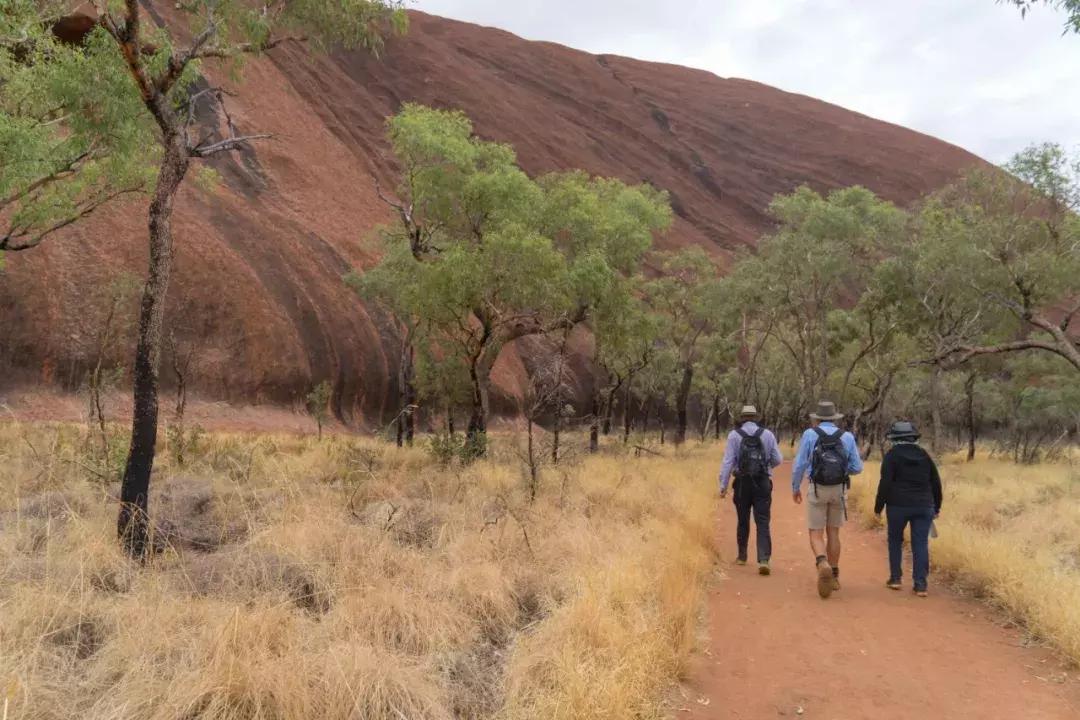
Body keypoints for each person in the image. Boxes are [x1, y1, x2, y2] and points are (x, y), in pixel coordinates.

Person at [791, 400, 863, 599]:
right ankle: (835, 574)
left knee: (816, 533)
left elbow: (800, 464)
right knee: (834, 532)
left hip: (817, 488)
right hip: (839, 489)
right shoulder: (847, 436)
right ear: (834, 418)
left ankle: (822, 562)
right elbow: (857, 467)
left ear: (817, 418)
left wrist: (795, 487)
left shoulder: (810, 434)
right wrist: (841, 470)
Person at [874, 421, 943, 598]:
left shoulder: (891, 456)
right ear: (913, 438)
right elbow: (936, 482)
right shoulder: (924, 455)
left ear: (894, 438)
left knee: (895, 540)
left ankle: (895, 578)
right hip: (924, 505)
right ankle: (920, 585)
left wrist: (878, 507)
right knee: (920, 543)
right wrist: (937, 506)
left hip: (897, 505)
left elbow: (885, 483)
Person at [719, 405, 783, 575]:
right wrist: (766, 467)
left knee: (743, 519)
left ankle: (742, 556)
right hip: (762, 482)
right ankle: (764, 559)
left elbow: (727, 462)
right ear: (756, 417)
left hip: (742, 483)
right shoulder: (767, 434)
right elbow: (778, 459)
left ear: (742, 418)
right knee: (762, 520)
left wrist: (723, 486)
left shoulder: (734, 435)